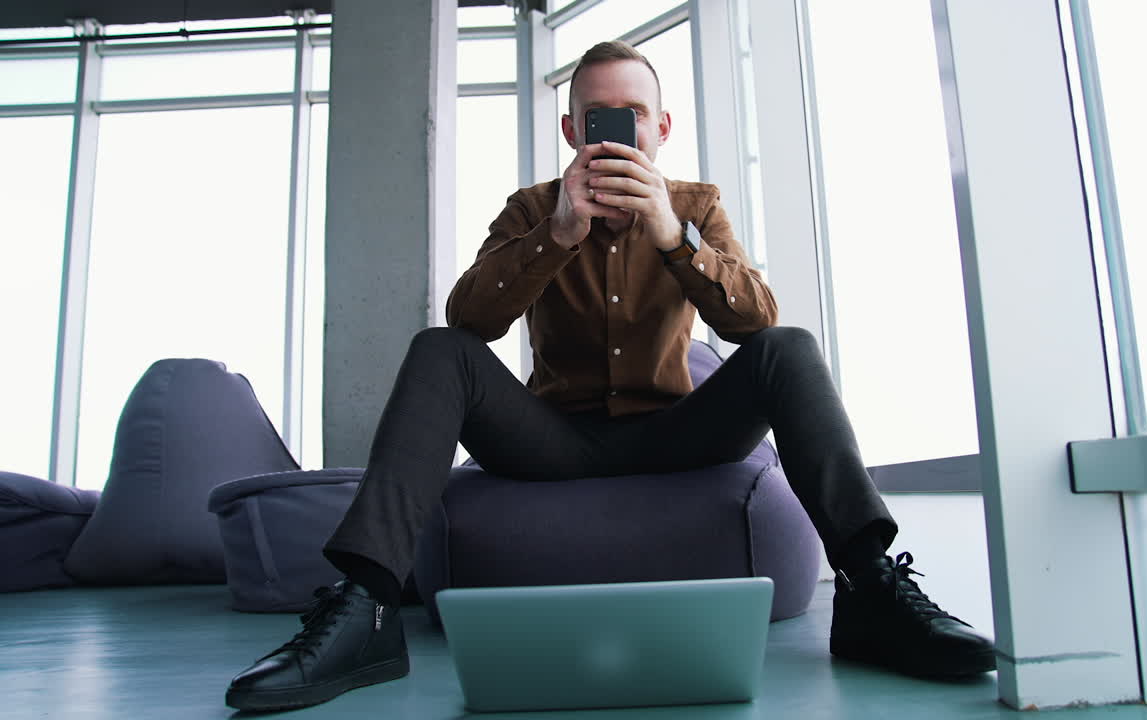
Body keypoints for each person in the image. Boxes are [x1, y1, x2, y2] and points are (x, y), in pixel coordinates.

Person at [224, 40, 995, 713]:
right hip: (552, 438)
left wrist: (674, 237)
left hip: (676, 431)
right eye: (598, 117)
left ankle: (869, 588)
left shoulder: (698, 205)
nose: (615, 131)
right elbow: (472, 321)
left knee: (788, 346)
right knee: (436, 348)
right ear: (572, 130)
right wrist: (557, 235)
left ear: (661, 128)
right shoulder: (531, 208)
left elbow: (754, 320)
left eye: (632, 114)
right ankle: (366, 611)